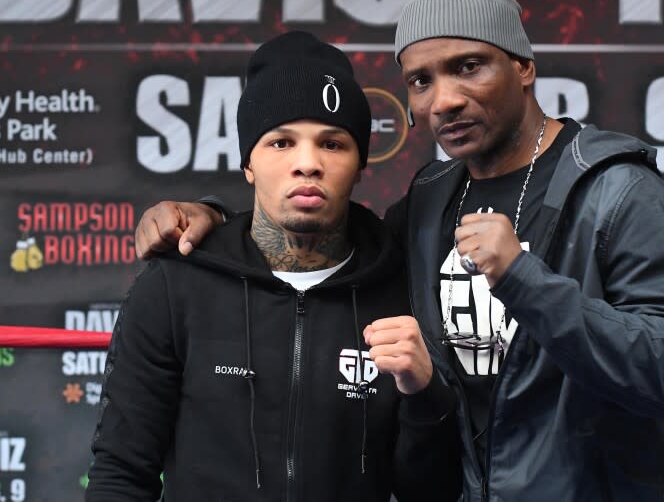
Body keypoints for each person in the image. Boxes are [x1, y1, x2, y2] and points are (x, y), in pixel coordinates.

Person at [134, 0, 664, 502]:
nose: (444, 100)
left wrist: (525, 280)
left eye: (468, 66)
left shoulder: (618, 192)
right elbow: (326, 242)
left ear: (523, 66)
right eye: (420, 80)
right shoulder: (431, 199)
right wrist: (206, 221)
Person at [86, 31, 462, 502]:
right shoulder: (176, 285)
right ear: (249, 163)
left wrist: (425, 395)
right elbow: (121, 474)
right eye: (281, 143)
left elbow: (432, 491)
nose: (307, 164)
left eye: (333, 144)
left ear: (360, 163)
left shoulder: (403, 285)